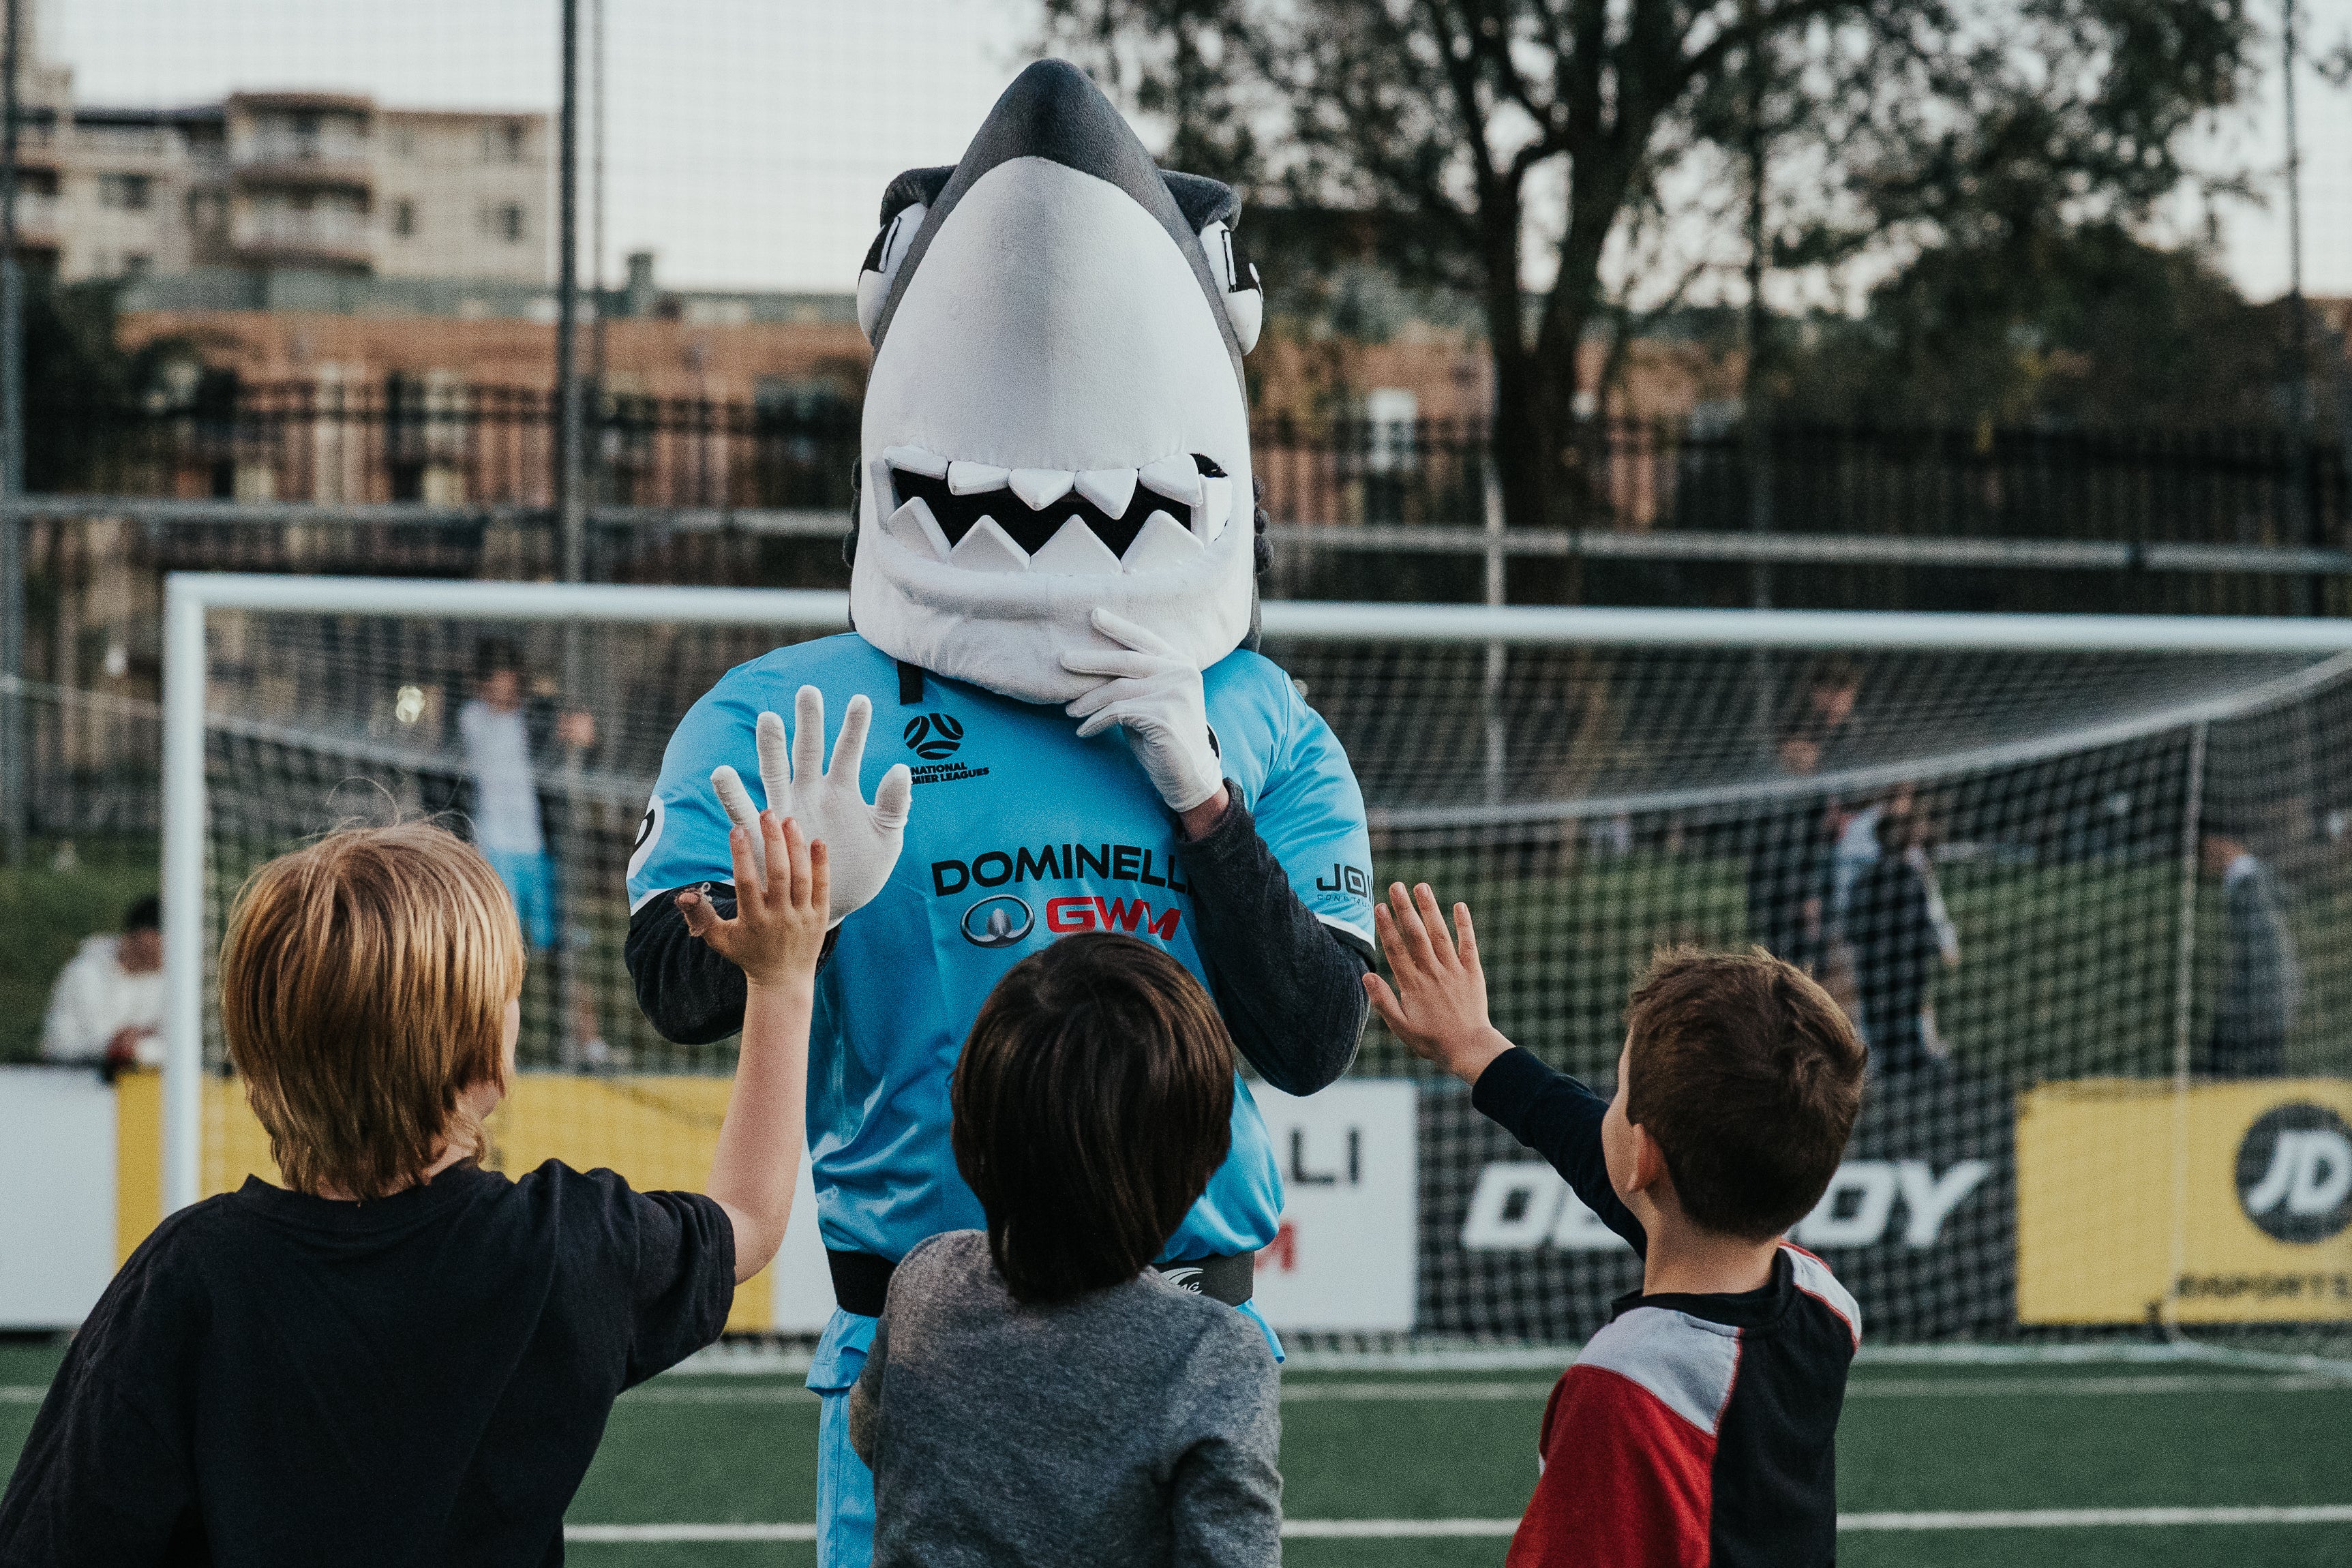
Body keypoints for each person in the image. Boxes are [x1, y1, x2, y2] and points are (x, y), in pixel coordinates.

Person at [624, 63, 1372, 1567]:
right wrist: (796, 904)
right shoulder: (793, 712)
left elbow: (1311, 1034)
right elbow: (676, 989)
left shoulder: (1262, 718)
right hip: (920, 1340)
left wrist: (1210, 812)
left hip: (1183, 1338)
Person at [0, 807, 837, 1566]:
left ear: (255, 1064)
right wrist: (781, 980)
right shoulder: (562, 1243)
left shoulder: (186, 1274)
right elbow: (751, 1221)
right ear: (490, 1059)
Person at [1365, 884, 1867, 1567]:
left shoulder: (1621, 1383)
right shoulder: (1823, 1304)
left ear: (1646, 1155)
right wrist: (1477, 1048)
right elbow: (1636, 1181)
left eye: (1620, 1090)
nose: (1605, 1102)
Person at [848, 933, 1280, 1567]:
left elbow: (871, 1435)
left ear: (968, 1130)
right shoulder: (1213, 1355)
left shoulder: (924, 1282)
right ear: (1208, 1155)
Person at [457, 636, 605, 1062]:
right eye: (496, 680)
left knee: (562, 942)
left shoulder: (535, 720)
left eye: (511, 679)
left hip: (538, 851)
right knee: (495, 949)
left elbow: (578, 738)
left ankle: (587, 1040)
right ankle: (482, 1044)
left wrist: (583, 735)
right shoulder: (468, 721)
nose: (505, 688)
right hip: (493, 850)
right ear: (482, 683)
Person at [1845, 807, 1960, 1072]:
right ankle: (1909, 1063)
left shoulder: (1865, 880)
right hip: (1904, 967)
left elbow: (1855, 929)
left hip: (1876, 968)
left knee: (1883, 1017)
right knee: (1905, 1014)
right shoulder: (1909, 877)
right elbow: (1922, 922)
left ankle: (1889, 1063)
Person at [2192, 827, 2297, 1079]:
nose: (2203, 858)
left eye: (2206, 848)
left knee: (2251, 1063)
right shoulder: (2254, 879)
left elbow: (2261, 947)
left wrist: (2253, 994)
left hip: (2261, 992)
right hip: (2266, 990)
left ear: (2223, 843)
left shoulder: (2249, 883)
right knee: (2259, 1063)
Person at [1746, 725, 1836, 974]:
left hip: (1803, 896)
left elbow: (1817, 848)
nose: (1804, 753)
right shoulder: (1768, 791)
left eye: (1809, 746)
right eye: (1797, 744)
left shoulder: (1816, 792)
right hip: (1774, 897)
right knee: (1776, 968)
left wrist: (1812, 895)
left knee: (1809, 971)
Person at [38, 894, 163, 1072]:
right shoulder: (85, 972)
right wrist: (138, 1041)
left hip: (134, 1080)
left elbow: (173, 1043)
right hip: (69, 1077)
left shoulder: (164, 982)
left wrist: (137, 1046)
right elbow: (105, 1044)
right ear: (143, 935)